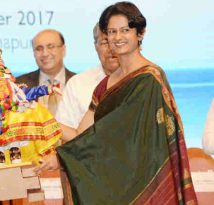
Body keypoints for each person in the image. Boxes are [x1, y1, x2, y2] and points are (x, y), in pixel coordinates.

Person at [36, 2, 197, 204]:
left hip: (145, 179)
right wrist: (38, 118)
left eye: (125, 30)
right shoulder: (106, 83)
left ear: (140, 33)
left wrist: (61, 158)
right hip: (115, 181)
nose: (117, 37)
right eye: (112, 32)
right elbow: (82, 134)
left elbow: (112, 137)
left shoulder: (148, 79)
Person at [55, 23, 119, 134]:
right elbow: (65, 135)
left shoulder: (143, 79)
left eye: (116, 42)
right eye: (105, 42)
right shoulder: (77, 84)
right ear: (96, 46)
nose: (111, 49)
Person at [16, 29, 75, 115]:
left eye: (50, 47)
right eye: (39, 49)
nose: (45, 53)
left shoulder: (79, 82)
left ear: (63, 50)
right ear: (34, 53)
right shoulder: (19, 85)